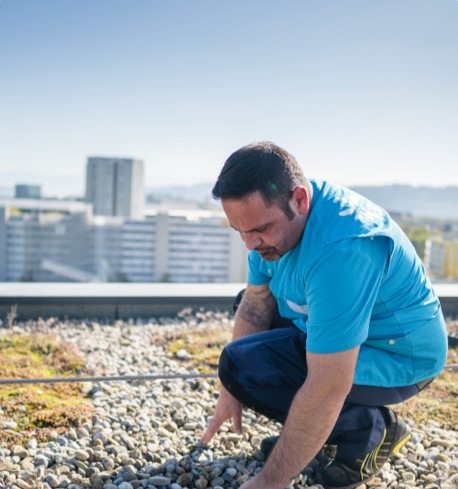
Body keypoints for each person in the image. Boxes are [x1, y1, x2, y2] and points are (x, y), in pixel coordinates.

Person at [200, 142, 448, 489]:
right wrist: (230, 390)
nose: (250, 244)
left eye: (260, 230)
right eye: (239, 231)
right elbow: (256, 304)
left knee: (255, 368)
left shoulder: (344, 249)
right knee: (241, 360)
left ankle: (370, 432)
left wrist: (270, 480)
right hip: (339, 325)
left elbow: (327, 385)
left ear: (299, 200)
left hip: (398, 355)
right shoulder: (271, 218)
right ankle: (314, 435)